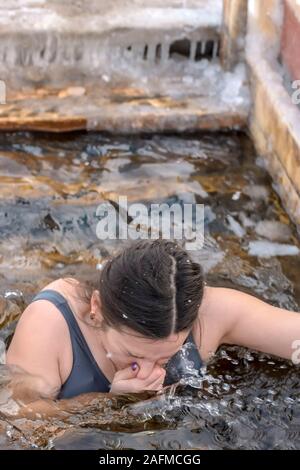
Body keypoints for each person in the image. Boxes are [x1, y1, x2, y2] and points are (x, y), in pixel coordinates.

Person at [6, 239, 300, 400]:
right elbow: (22, 426)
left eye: (165, 359)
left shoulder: (213, 313)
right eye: (133, 354)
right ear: (96, 308)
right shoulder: (51, 324)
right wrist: (111, 402)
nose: (150, 373)